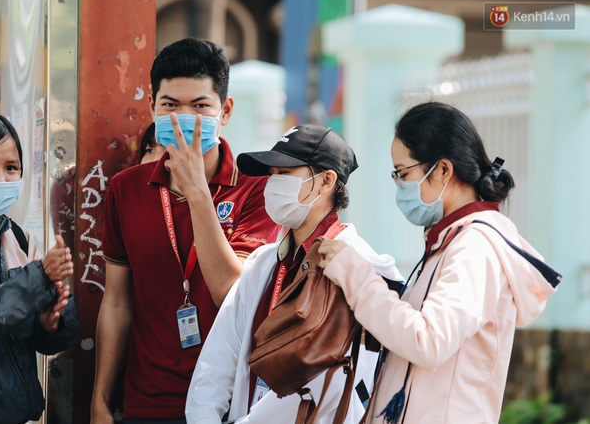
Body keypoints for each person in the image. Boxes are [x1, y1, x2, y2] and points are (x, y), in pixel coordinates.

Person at [318, 102, 561, 424]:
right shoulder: (450, 240)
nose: (399, 185)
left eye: (403, 173)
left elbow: (428, 342)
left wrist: (355, 274)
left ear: (443, 170)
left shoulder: (475, 248)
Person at [91, 37, 281, 424]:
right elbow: (116, 302)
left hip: (227, 402)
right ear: (152, 108)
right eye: (170, 105)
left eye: (199, 106)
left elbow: (232, 292)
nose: (183, 118)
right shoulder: (126, 188)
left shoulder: (258, 189)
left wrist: (197, 192)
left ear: (225, 111)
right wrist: (101, 399)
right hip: (146, 403)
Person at [186, 124, 404, 423]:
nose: (272, 184)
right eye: (271, 174)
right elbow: (217, 361)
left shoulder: (359, 268)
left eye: (285, 173)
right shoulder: (263, 264)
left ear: (326, 181)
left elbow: (324, 384)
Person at [0, 109, 82, 424]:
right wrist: (39, 277)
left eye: (11, 168)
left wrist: (49, 322)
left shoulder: (21, 240)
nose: (0, 179)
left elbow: (38, 341)